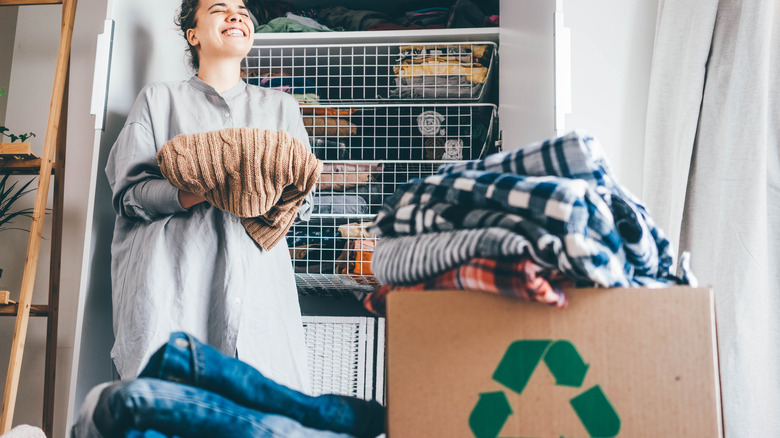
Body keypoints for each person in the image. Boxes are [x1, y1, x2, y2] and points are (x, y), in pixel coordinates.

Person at [105, 0, 314, 393]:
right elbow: (129, 195)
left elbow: (302, 200)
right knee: (170, 411)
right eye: (219, 9)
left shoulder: (282, 108)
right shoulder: (158, 101)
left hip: (259, 296)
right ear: (193, 35)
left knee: (256, 416)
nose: (237, 15)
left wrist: (255, 189)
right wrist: (204, 188)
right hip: (175, 287)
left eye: (241, 9)